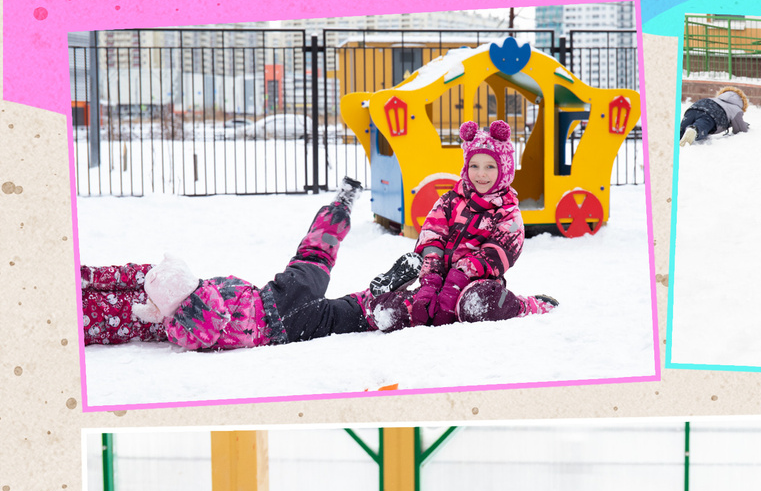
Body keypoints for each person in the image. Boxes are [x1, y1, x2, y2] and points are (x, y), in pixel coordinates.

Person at [103, 178, 421, 351]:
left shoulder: (184, 328)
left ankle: (381, 297)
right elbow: (237, 286)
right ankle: (340, 205)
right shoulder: (212, 290)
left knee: (352, 313)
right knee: (315, 250)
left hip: (289, 329)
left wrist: (164, 319)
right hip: (283, 292)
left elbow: (188, 335)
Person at [403, 120, 557, 327]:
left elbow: (498, 252)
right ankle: (367, 305)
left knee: (480, 305)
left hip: (474, 283)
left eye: (490, 167)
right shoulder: (450, 201)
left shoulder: (508, 214)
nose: (481, 174)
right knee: (413, 308)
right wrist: (432, 277)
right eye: (474, 166)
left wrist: (458, 277)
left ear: (504, 170)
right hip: (438, 277)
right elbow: (432, 233)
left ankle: (524, 306)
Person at [679, 87, 751, 145]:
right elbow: (740, 128)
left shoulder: (715, 99)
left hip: (697, 105)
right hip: (713, 113)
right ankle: (695, 129)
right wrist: (745, 125)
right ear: (742, 103)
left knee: (682, 128)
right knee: (703, 124)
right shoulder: (736, 109)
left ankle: (677, 132)